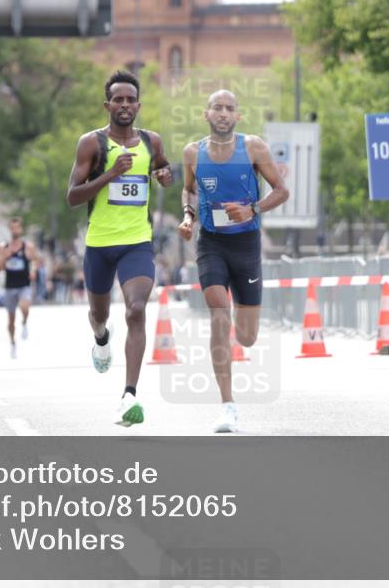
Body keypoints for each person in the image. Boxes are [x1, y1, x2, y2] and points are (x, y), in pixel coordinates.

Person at [66, 69, 174, 426]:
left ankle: (129, 394)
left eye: (130, 100)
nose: (125, 105)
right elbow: (72, 197)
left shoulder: (151, 142)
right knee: (100, 316)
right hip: (99, 244)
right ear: (107, 105)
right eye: (118, 99)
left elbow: (162, 170)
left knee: (137, 310)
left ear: (139, 105)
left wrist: (165, 176)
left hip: (136, 243)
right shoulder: (92, 144)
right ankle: (101, 338)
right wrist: (110, 174)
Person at [178, 89, 289, 433]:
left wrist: (251, 209)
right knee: (218, 315)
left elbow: (281, 190)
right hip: (211, 243)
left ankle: (243, 329)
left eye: (229, 108)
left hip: (246, 245)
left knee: (247, 336)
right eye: (217, 107)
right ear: (206, 114)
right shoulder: (192, 152)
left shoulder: (253, 147)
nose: (223, 113)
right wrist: (187, 216)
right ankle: (227, 405)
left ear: (237, 116)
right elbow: (190, 190)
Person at [0, 217, 40, 358]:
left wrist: (33, 271)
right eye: (12, 227)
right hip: (10, 286)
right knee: (11, 319)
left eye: (17, 227)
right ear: (9, 229)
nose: (15, 230)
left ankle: (25, 322)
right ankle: (13, 343)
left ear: (21, 229)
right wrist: (4, 257)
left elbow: (35, 261)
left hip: (24, 284)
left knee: (25, 306)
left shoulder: (28, 246)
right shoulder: (3, 247)